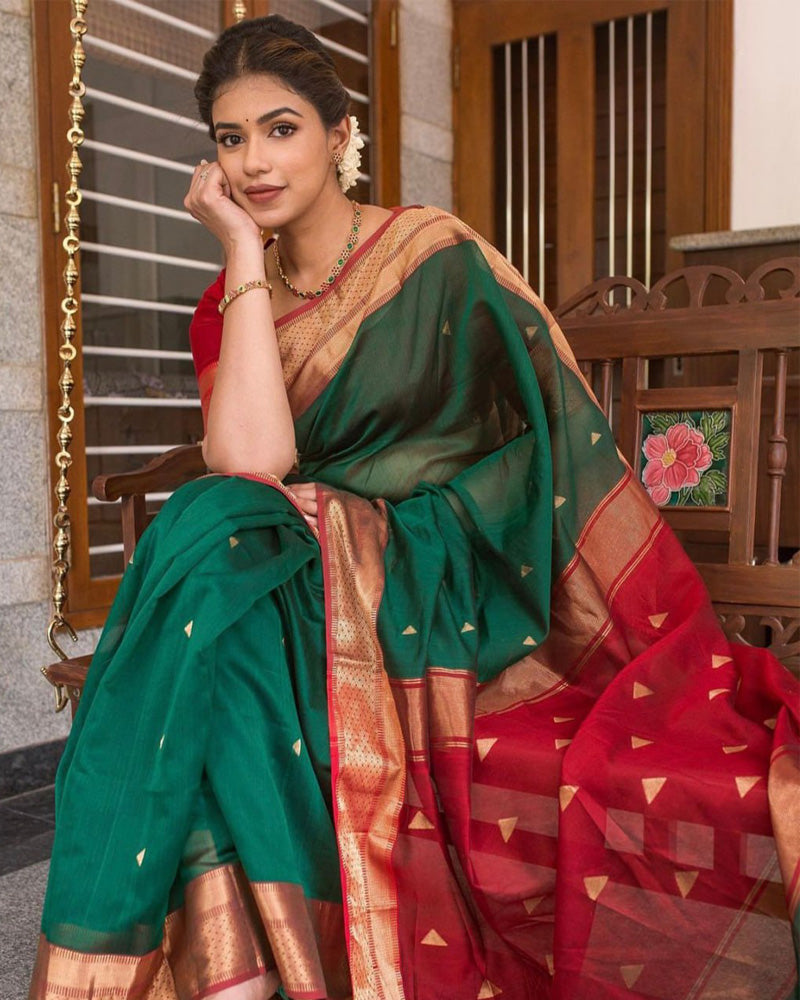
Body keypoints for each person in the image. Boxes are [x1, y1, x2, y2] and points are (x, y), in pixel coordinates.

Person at [29, 14, 799, 1000]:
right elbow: (255, 462)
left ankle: (213, 970)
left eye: (280, 129)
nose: (254, 162)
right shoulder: (229, 300)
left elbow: (537, 441)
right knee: (214, 564)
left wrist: (374, 523)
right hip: (303, 582)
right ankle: (242, 972)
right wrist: (242, 255)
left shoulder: (431, 254)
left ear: (339, 135)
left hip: (447, 577)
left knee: (208, 589)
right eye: (230, 138)